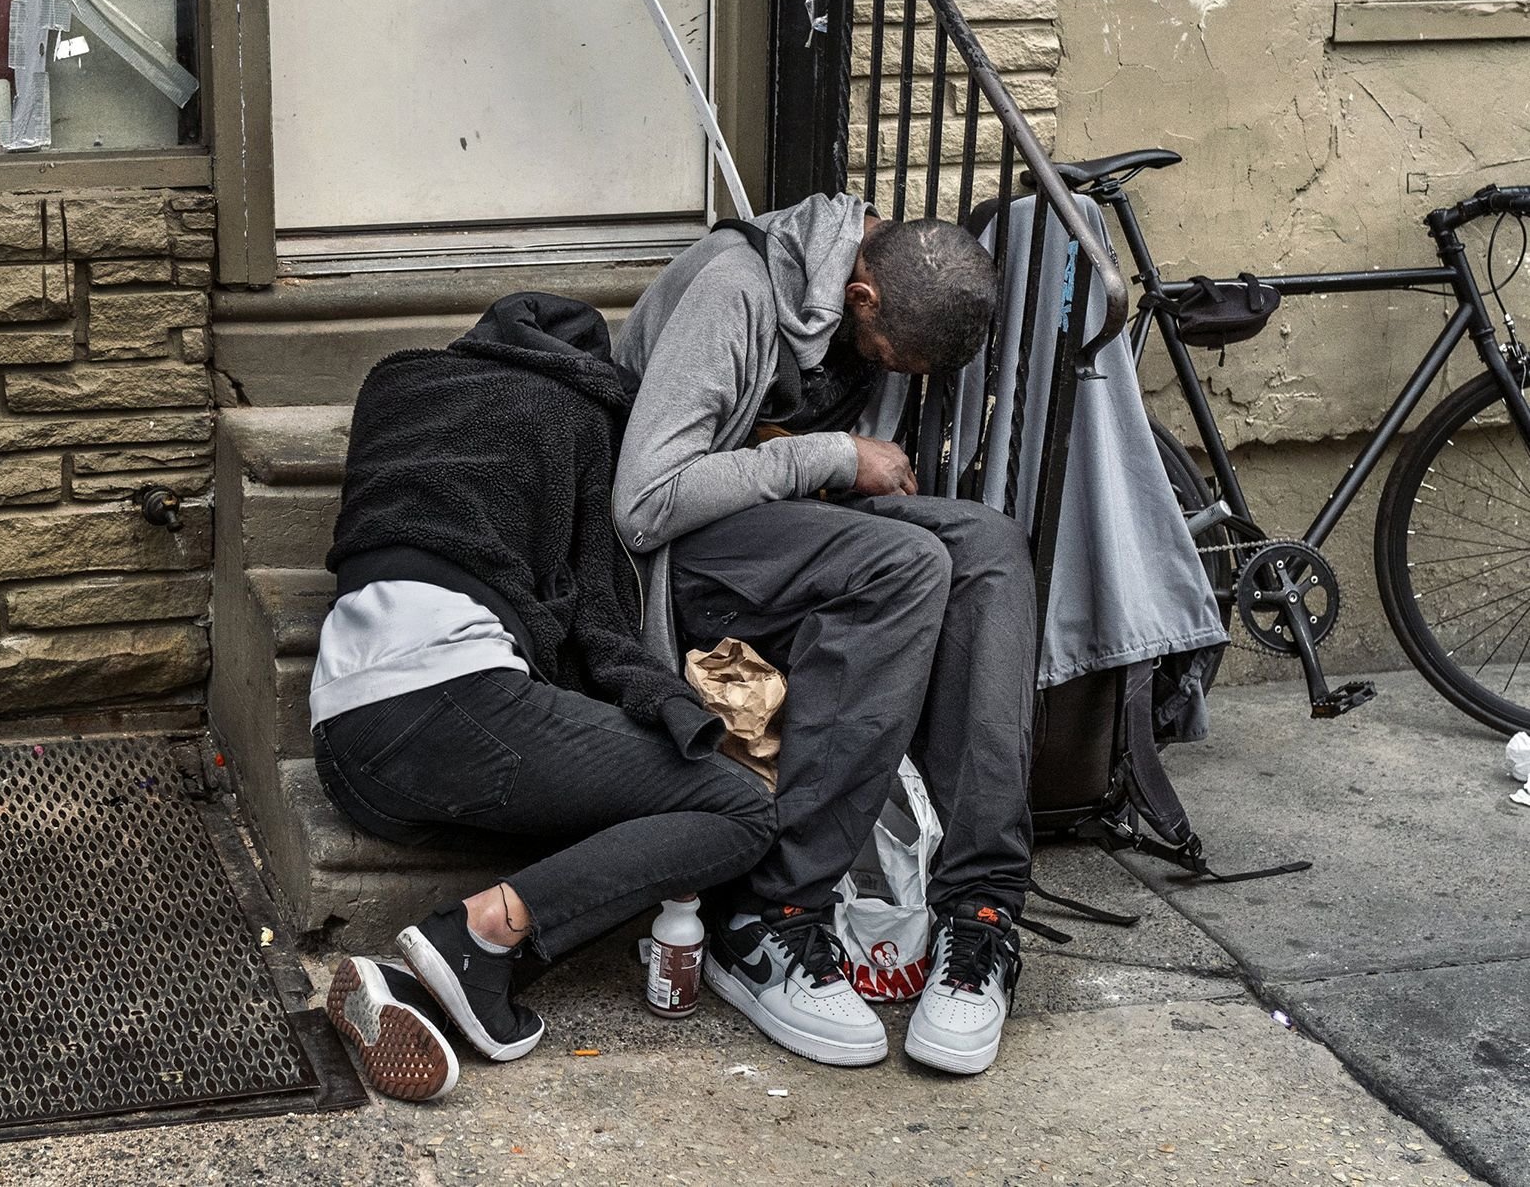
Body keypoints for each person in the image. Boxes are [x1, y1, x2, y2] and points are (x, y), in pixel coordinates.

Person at [312, 293, 776, 1102]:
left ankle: (408, 983)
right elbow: (595, 613)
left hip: (347, 741)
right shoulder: (574, 415)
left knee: (618, 806)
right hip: (455, 698)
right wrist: (669, 705)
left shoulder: (396, 385)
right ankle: (476, 936)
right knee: (739, 808)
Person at [612, 194, 1032, 1076]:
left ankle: (981, 909)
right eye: (888, 357)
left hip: (782, 531)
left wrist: (832, 469)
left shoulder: (855, 289)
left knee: (991, 547)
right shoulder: (737, 289)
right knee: (908, 566)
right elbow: (643, 503)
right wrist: (835, 455)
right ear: (863, 295)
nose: (887, 373)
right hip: (675, 561)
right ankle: (771, 915)